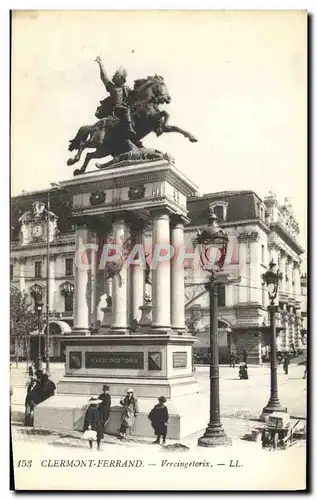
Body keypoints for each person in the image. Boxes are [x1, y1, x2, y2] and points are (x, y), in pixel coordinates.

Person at [95, 56, 136, 141]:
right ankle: (129, 128)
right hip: (115, 109)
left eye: (117, 76)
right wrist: (100, 64)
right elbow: (104, 77)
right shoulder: (111, 87)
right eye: (115, 75)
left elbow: (133, 96)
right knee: (126, 110)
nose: (114, 77)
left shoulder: (126, 88)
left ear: (122, 79)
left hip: (123, 108)